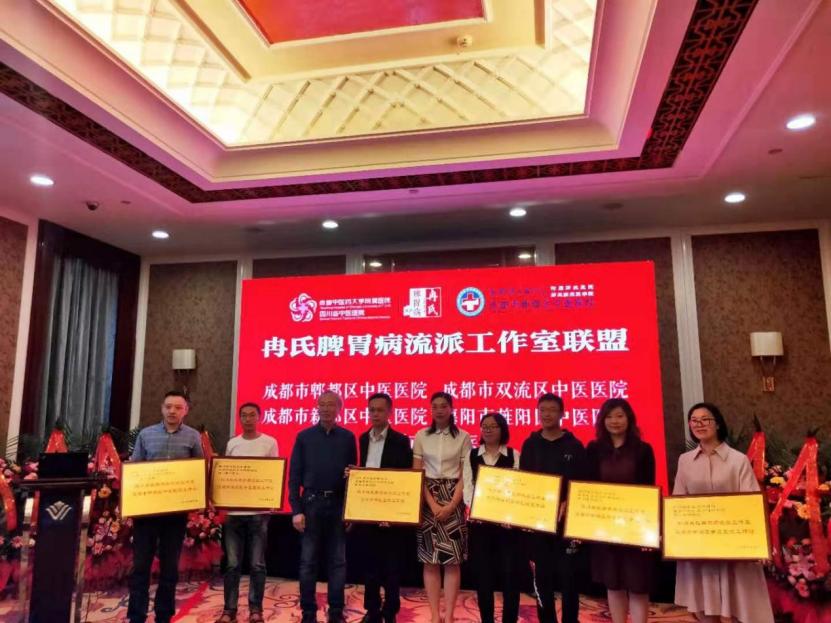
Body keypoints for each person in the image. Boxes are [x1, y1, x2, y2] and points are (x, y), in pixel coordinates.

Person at [673, 402, 774, 623]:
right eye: (694, 420)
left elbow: (750, 503)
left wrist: (758, 543)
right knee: (705, 604)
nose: (699, 424)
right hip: (700, 544)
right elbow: (678, 501)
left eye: (705, 419)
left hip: (733, 545)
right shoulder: (685, 461)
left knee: (738, 604)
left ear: (717, 424)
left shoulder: (738, 460)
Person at [127, 390, 204, 623]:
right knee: (141, 566)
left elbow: (198, 470)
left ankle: (164, 614)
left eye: (178, 407)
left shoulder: (193, 437)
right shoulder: (146, 434)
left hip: (175, 514)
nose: (172, 411)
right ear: (162, 408)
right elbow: (134, 469)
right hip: (146, 513)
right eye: (168, 406)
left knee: (170, 567)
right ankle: (136, 615)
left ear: (186, 411)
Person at [585, 399, 656, 623]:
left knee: (638, 584)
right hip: (606, 526)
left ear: (629, 419)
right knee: (613, 583)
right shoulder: (594, 449)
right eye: (609, 416)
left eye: (619, 416)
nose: (614, 421)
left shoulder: (643, 450)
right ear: (602, 421)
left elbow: (648, 490)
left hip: (635, 527)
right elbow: (588, 487)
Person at [290, 391, 357, 623]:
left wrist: (350, 510)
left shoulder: (348, 438)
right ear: (317, 408)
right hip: (311, 504)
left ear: (339, 409)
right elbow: (294, 476)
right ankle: (308, 612)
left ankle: (336, 611)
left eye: (331, 405)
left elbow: (353, 477)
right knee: (308, 562)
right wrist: (296, 510)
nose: (326, 409)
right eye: (322, 405)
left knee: (338, 562)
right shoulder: (304, 437)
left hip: (338, 504)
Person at [519, 393, 587, 623]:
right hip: (539, 524)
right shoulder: (530, 445)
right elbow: (526, 481)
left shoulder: (574, 446)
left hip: (566, 525)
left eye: (552, 410)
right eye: (542, 410)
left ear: (562, 413)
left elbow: (582, 483)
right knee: (542, 580)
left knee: (569, 580)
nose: (546, 414)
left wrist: (570, 501)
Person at [215, 402, 279, 623]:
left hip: (259, 512)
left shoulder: (269, 442)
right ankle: (229, 610)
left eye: (252, 415)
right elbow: (225, 475)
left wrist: (271, 499)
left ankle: (255, 609)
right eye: (244, 415)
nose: (248, 419)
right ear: (240, 418)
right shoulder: (233, 443)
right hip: (234, 513)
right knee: (232, 564)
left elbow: (273, 474)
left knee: (257, 565)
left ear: (259, 417)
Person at [412, 391, 472, 623]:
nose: (439, 410)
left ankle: (450, 615)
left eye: (443, 406)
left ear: (451, 408)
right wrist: (432, 503)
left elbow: (464, 475)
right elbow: (417, 473)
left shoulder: (463, 437)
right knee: (430, 560)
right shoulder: (421, 435)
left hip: (454, 496)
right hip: (428, 496)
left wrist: (451, 505)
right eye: (434, 406)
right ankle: (435, 615)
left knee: (452, 561)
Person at [357, 392, 414, 623]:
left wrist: (393, 512)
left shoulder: (401, 441)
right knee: (369, 564)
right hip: (368, 510)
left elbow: (405, 478)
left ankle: (390, 611)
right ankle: (372, 610)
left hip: (391, 513)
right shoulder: (363, 438)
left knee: (392, 566)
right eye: (371, 410)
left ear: (390, 412)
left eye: (380, 410)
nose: (375, 414)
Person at [463, 412, 522, 623]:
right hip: (480, 526)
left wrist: (507, 512)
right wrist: (475, 509)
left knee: (510, 577)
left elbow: (518, 486)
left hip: (507, 526)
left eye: (493, 426)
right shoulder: (472, 455)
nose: (488, 430)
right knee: (483, 577)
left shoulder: (514, 455)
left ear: (502, 429)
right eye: (484, 426)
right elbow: (468, 487)